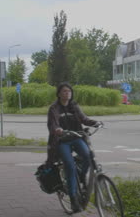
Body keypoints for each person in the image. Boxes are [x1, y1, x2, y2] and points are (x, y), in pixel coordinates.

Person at [46, 82, 102, 213]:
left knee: (88, 156)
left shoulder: (74, 106)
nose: (67, 93)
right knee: (70, 167)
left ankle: (81, 176)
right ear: (59, 94)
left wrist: (96, 123)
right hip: (62, 141)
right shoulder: (54, 108)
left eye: (69, 91)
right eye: (64, 91)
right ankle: (73, 200)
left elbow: (83, 119)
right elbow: (52, 124)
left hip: (76, 137)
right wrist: (57, 129)